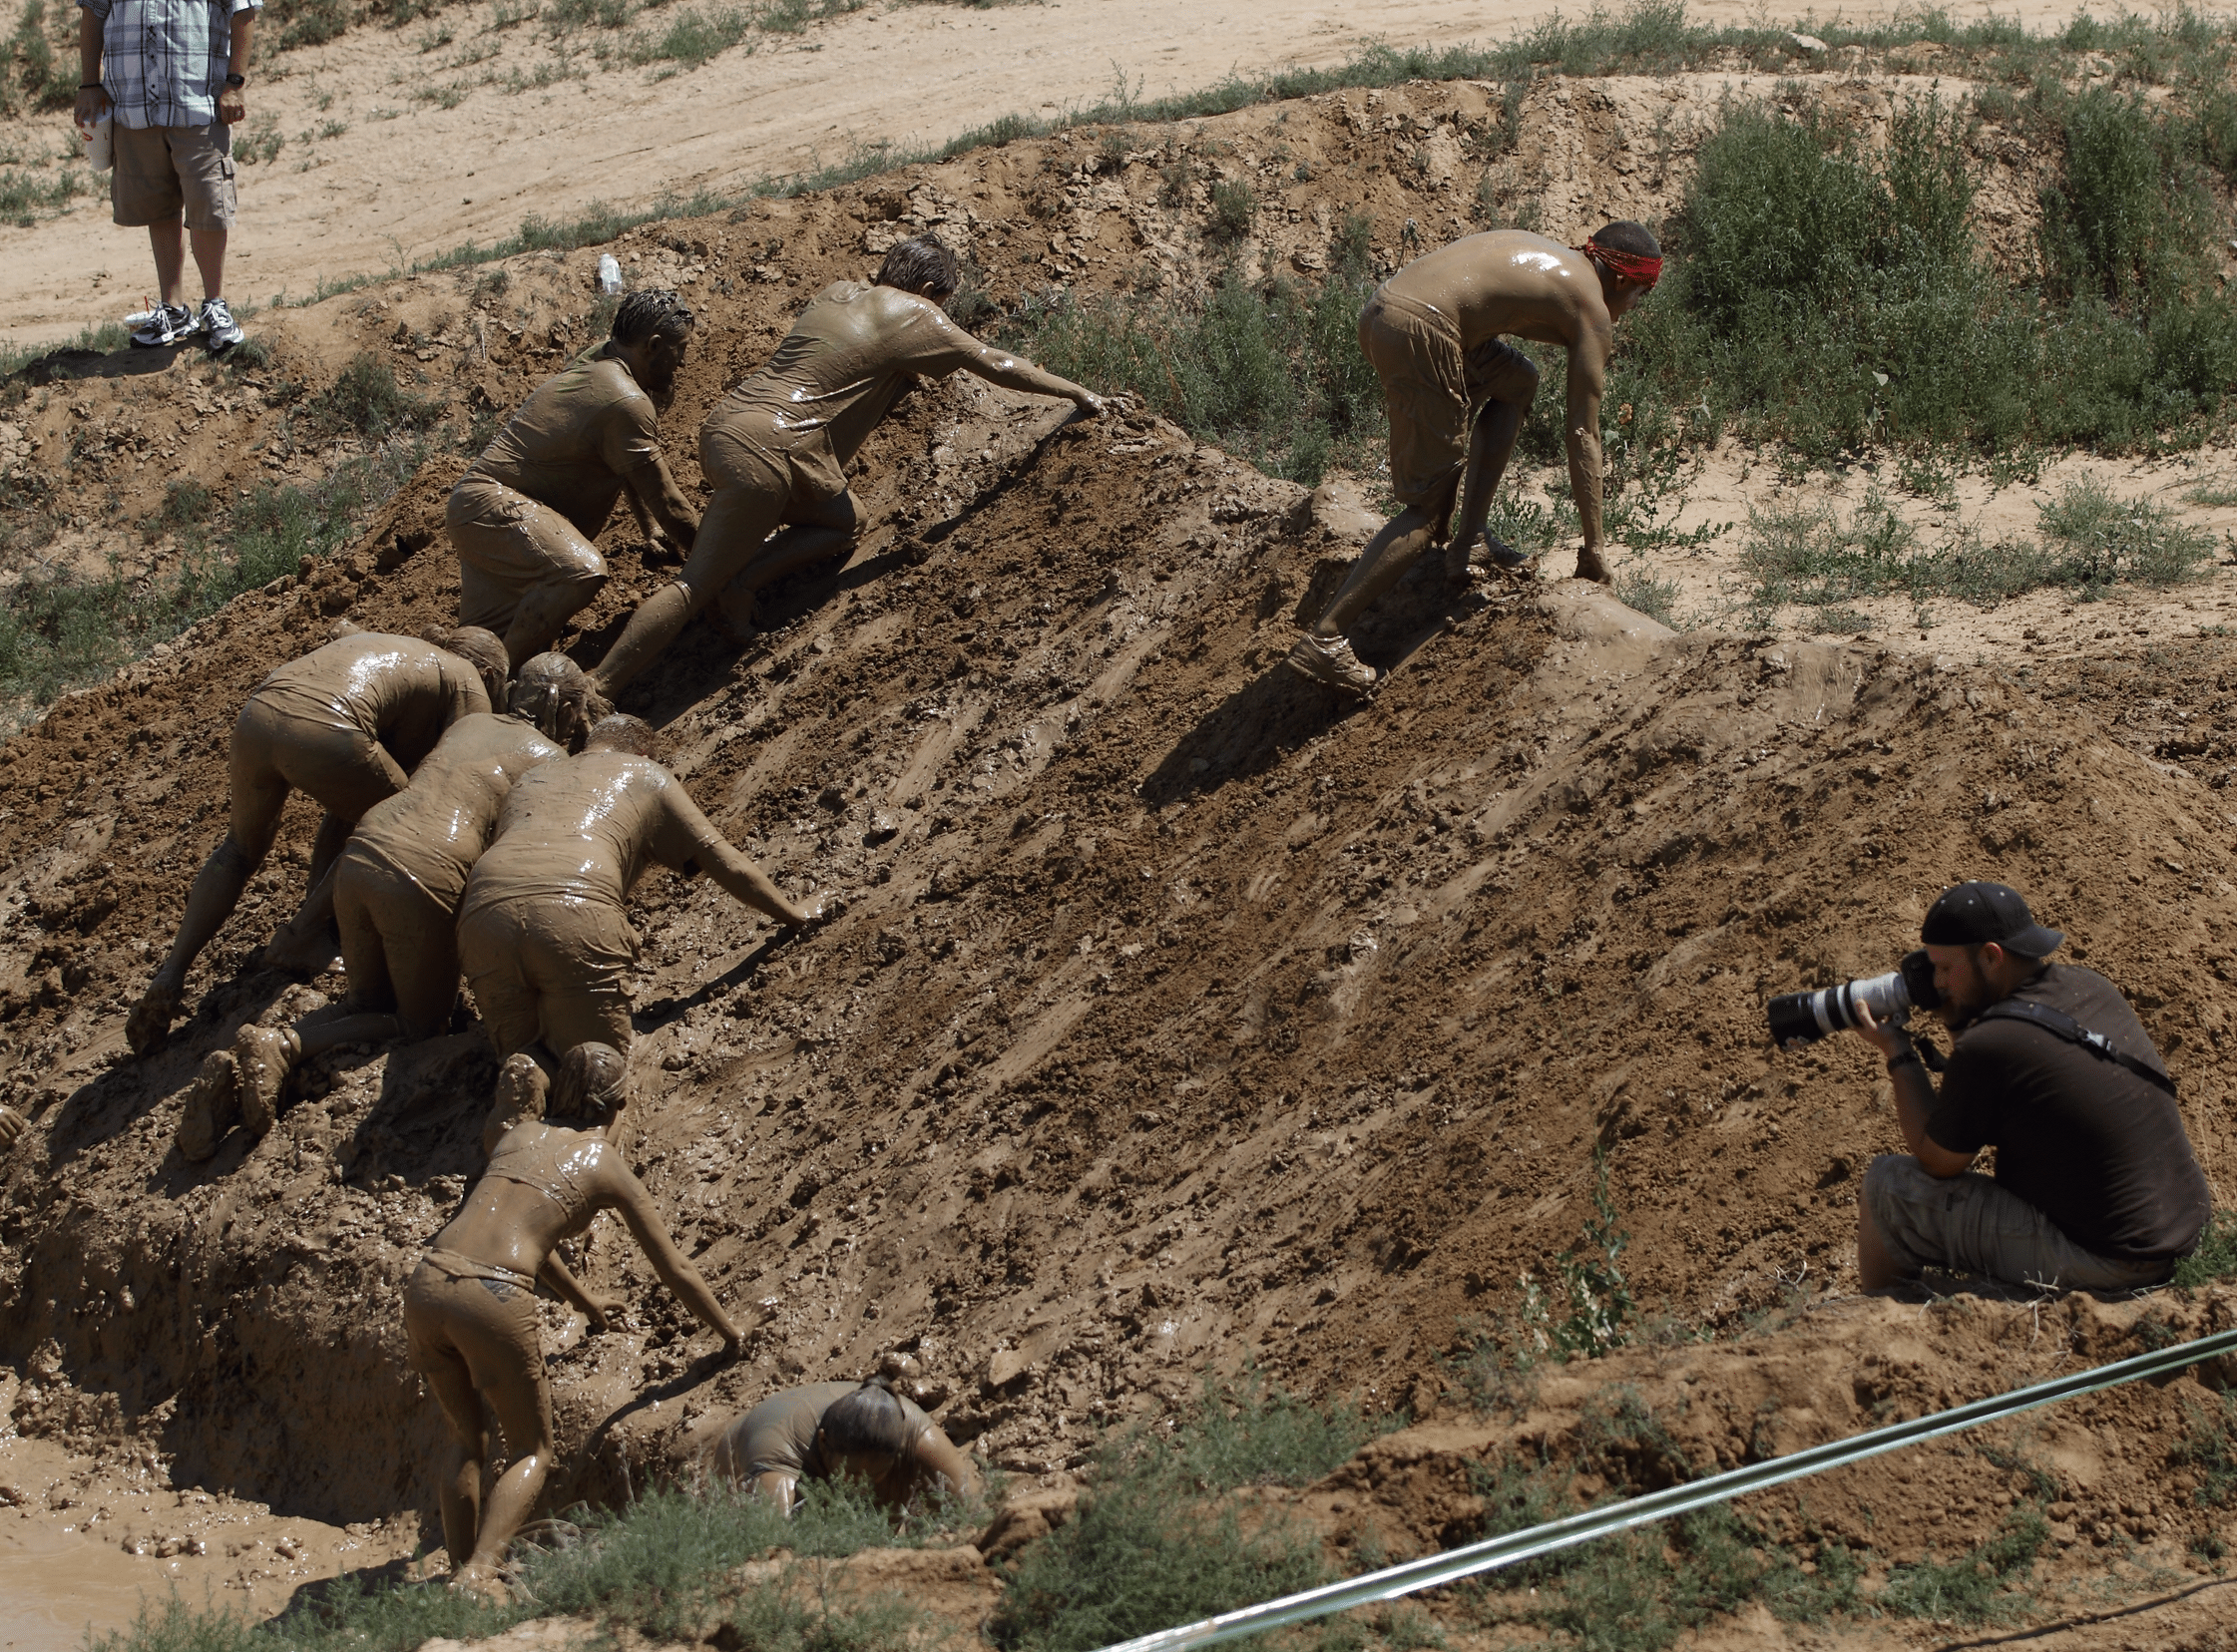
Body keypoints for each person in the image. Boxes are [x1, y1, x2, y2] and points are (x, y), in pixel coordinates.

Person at [591, 236, 1106, 695]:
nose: (942, 316)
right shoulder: (916, 314)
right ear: (927, 288)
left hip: (727, 428)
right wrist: (1077, 391)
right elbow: (998, 363)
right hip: (775, 450)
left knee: (846, 521)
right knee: (693, 584)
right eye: (943, 305)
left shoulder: (837, 291)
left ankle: (740, 575)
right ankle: (602, 683)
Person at [404, 1043, 740, 1600]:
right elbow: (674, 1267)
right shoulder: (602, 1163)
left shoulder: (516, 1137)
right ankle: (478, 1576)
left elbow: (522, 1231)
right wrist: (728, 1332)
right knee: (533, 1449)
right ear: (614, 1104)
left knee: (466, 1440)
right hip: (492, 1297)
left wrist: (585, 1303)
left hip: (427, 1282)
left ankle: (457, 1574)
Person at [173, 692, 570, 1161]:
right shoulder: (550, 760)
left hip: (362, 847)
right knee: (420, 1024)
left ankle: (252, 1061)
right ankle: (284, 1045)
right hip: (422, 871)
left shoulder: (470, 725)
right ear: (555, 701)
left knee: (365, 1001)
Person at [1287, 222, 1662, 694]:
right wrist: (1594, 549)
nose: (1634, 308)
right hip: (1423, 327)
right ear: (1624, 280)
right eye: (1641, 295)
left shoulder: (1562, 262)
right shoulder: (1592, 304)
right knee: (1427, 516)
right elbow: (1583, 431)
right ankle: (1326, 637)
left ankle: (1471, 542)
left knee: (1518, 381)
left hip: (1385, 309)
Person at [128, 628, 510, 1057]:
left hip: (261, 712)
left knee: (238, 849)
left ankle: (171, 972)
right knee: (398, 827)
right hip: (326, 724)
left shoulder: (409, 656)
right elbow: (457, 774)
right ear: (492, 675)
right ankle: (302, 935)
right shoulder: (469, 680)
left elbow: (349, 805)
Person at [1846, 880, 2211, 1293]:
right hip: (2182, 1235)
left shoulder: (1992, 1043)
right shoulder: (2090, 986)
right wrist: (1955, 1019)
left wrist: (1898, 1052)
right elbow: (1987, 1075)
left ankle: (1876, 1319)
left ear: (1991, 956)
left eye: (1947, 968)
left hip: (2113, 1264)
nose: (1939, 982)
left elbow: (1938, 1160)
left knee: (1888, 1186)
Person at [455, 712, 821, 1075]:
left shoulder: (530, 779)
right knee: (594, 1076)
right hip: (574, 909)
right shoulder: (646, 775)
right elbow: (728, 864)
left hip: (482, 917)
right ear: (642, 754)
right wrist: (793, 912)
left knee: (523, 1067)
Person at [448, 290, 704, 670]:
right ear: (653, 345)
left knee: (475, 653)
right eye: (679, 349)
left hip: (479, 510)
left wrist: (648, 530)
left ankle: (455, 694)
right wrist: (718, 556)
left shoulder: (602, 358)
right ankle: (493, 690)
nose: (684, 361)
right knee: (582, 571)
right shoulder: (625, 400)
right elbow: (668, 502)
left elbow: (626, 461)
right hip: (497, 507)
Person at [75, 0, 257, 351]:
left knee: (209, 205)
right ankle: (173, 309)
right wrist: (88, 84)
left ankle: (215, 305)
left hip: (199, 103)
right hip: (133, 104)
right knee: (158, 208)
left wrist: (235, 82)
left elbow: (243, 12)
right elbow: (93, 14)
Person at [704, 1379, 978, 1515]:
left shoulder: (914, 1434)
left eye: (874, 1476)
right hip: (746, 1448)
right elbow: (769, 1547)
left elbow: (975, 1510)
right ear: (823, 1444)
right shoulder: (777, 1455)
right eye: (851, 1475)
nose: (860, 1488)